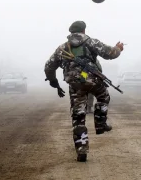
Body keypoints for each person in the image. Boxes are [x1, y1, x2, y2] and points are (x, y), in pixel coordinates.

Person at [44, 20, 124, 162]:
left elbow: (49, 66)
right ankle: (100, 124)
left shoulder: (62, 48)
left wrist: (53, 81)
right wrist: (118, 48)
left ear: (71, 32)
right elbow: (110, 53)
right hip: (91, 80)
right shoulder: (90, 42)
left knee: (78, 118)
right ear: (84, 30)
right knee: (103, 96)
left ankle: (82, 151)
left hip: (75, 86)